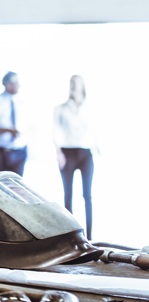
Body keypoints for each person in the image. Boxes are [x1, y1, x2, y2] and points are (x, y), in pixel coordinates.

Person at [53, 75, 97, 239]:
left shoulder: (89, 108)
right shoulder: (60, 109)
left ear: (81, 86)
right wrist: (59, 154)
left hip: (85, 153)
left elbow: (94, 131)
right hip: (67, 153)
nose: (72, 86)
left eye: (75, 83)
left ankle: (90, 237)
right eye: (70, 83)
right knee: (68, 194)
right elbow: (56, 132)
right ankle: (70, 236)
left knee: (87, 195)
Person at [0, 71, 27, 176]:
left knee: (16, 187)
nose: (19, 85)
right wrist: (8, 130)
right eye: (16, 82)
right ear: (8, 84)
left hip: (19, 151)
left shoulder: (22, 101)